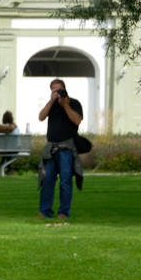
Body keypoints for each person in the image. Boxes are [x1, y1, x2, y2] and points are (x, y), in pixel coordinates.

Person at [37, 78, 84, 219]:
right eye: (54, 90)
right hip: (51, 148)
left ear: (64, 89)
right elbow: (41, 117)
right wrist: (51, 101)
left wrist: (64, 104)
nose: (57, 92)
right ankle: (45, 211)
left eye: (59, 90)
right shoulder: (51, 105)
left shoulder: (74, 103)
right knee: (47, 180)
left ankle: (63, 212)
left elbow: (77, 120)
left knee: (65, 181)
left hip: (66, 148)